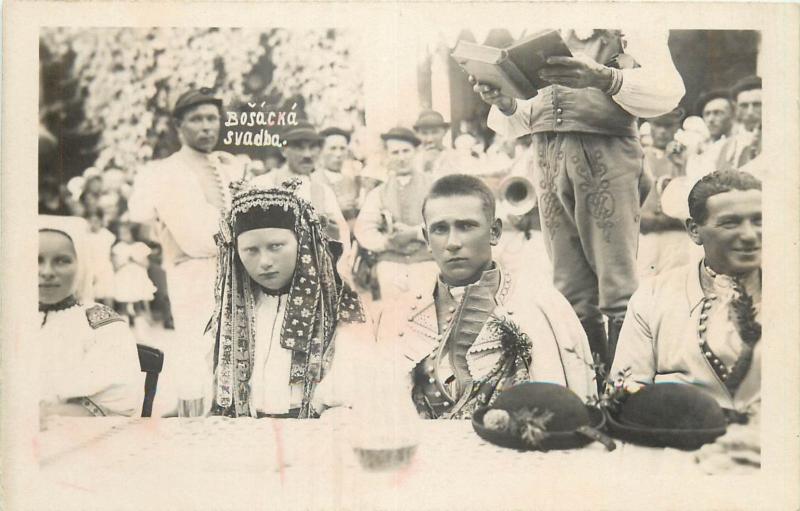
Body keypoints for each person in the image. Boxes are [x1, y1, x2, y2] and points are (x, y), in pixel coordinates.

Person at [473, 28, 686, 367]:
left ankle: (625, 387)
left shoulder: (623, 21)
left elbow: (668, 91)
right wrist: (505, 102)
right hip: (547, 154)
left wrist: (606, 78)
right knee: (568, 284)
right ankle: (587, 384)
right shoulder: (536, 25)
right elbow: (526, 116)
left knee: (617, 282)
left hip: (605, 152)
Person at [373, 175, 597, 419]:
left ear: (494, 232)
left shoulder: (541, 305)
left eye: (466, 226)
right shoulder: (401, 312)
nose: (452, 243)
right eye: (440, 229)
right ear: (427, 239)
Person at [205, 180, 367, 418]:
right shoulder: (229, 318)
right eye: (251, 250)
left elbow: (345, 404)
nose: (265, 262)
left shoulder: (338, 311)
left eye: (276, 246)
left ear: (301, 242)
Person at [610, 170, 761, 413]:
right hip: (678, 441)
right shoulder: (653, 296)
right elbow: (625, 391)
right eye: (730, 223)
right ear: (694, 230)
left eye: (758, 220)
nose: (749, 235)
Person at [128, 87, 244, 390]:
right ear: (179, 126)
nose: (206, 126)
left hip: (237, 271)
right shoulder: (165, 172)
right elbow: (191, 234)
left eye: (212, 119)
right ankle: (196, 419)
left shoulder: (229, 167)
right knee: (198, 349)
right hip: (193, 272)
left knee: (235, 348)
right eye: (196, 119)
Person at [38, 215, 143, 419]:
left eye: (61, 260)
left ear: (81, 264)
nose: (47, 272)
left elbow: (117, 404)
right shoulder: (11, 321)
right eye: (37, 260)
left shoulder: (101, 325)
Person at [353, 127, 438, 302]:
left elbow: (446, 222)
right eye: (395, 152)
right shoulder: (379, 192)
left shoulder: (434, 186)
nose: (401, 157)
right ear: (387, 155)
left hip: (426, 262)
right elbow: (363, 229)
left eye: (406, 151)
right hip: (391, 264)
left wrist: (415, 233)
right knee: (394, 318)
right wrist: (387, 242)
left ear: (416, 152)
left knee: (425, 315)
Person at [251, 120, 350, 248]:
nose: (307, 154)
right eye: (299, 147)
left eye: (312, 147)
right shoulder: (262, 184)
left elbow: (342, 235)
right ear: (283, 150)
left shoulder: (323, 191)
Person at [638, 108, 694, 277]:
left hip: (677, 236)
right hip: (646, 234)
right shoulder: (638, 156)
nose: (662, 131)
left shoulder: (688, 156)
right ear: (650, 126)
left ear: (676, 127)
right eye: (658, 125)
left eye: (668, 126)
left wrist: (680, 167)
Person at [111, 222, 157, 325]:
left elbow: (146, 264)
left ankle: (140, 321)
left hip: (137, 277)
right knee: (123, 299)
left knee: (137, 299)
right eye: (121, 233)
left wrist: (135, 260)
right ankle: (125, 320)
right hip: (124, 277)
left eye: (125, 233)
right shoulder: (119, 247)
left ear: (132, 233)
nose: (122, 236)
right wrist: (125, 261)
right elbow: (115, 266)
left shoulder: (140, 246)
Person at [317, 127, 362, 229]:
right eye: (333, 148)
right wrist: (336, 208)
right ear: (321, 151)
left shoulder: (350, 181)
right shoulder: (313, 180)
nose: (338, 154)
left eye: (342, 148)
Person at [685, 90, 735, 179]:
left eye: (718, 113)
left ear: (732, 115)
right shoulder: (699, 147)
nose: (711, 119)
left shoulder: (737, 144)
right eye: (707, 114)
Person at [717, 76, 762, 173]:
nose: (750, 112)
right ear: (736, 108)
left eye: (757, 105)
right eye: (744, 106)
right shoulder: (725, 146)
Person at [412, 110, 460, 178]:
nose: (430, 139)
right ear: (417, 134)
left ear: (444, 132)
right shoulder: (414, 160)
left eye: (435, 132)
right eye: (424, 133)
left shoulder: (455, 158)